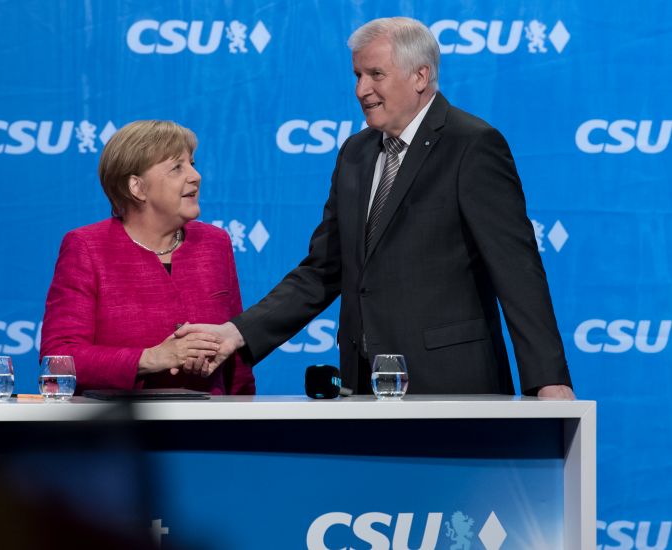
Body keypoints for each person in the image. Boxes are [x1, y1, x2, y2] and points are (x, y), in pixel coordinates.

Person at [177, 17, 574, 398]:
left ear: (420, 76)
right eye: (357, 75)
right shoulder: (356, 153)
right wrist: (238, 332)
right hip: (363, 382)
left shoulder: (471, 144)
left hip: (452, 381)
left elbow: (516, 269)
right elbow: (323, 269)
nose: (361, 89)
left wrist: (547, 379)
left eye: (375, 74)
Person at [40, 120, 255, 395]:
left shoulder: (214, 243)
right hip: (117, 428)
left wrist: (246, 421)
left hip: (207, 427)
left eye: (192, 163)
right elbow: (59, 359)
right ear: (137, 187)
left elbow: (236, 359)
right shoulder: (87, 246)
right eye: (177, 167)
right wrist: (151, 358)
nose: (196, 176)